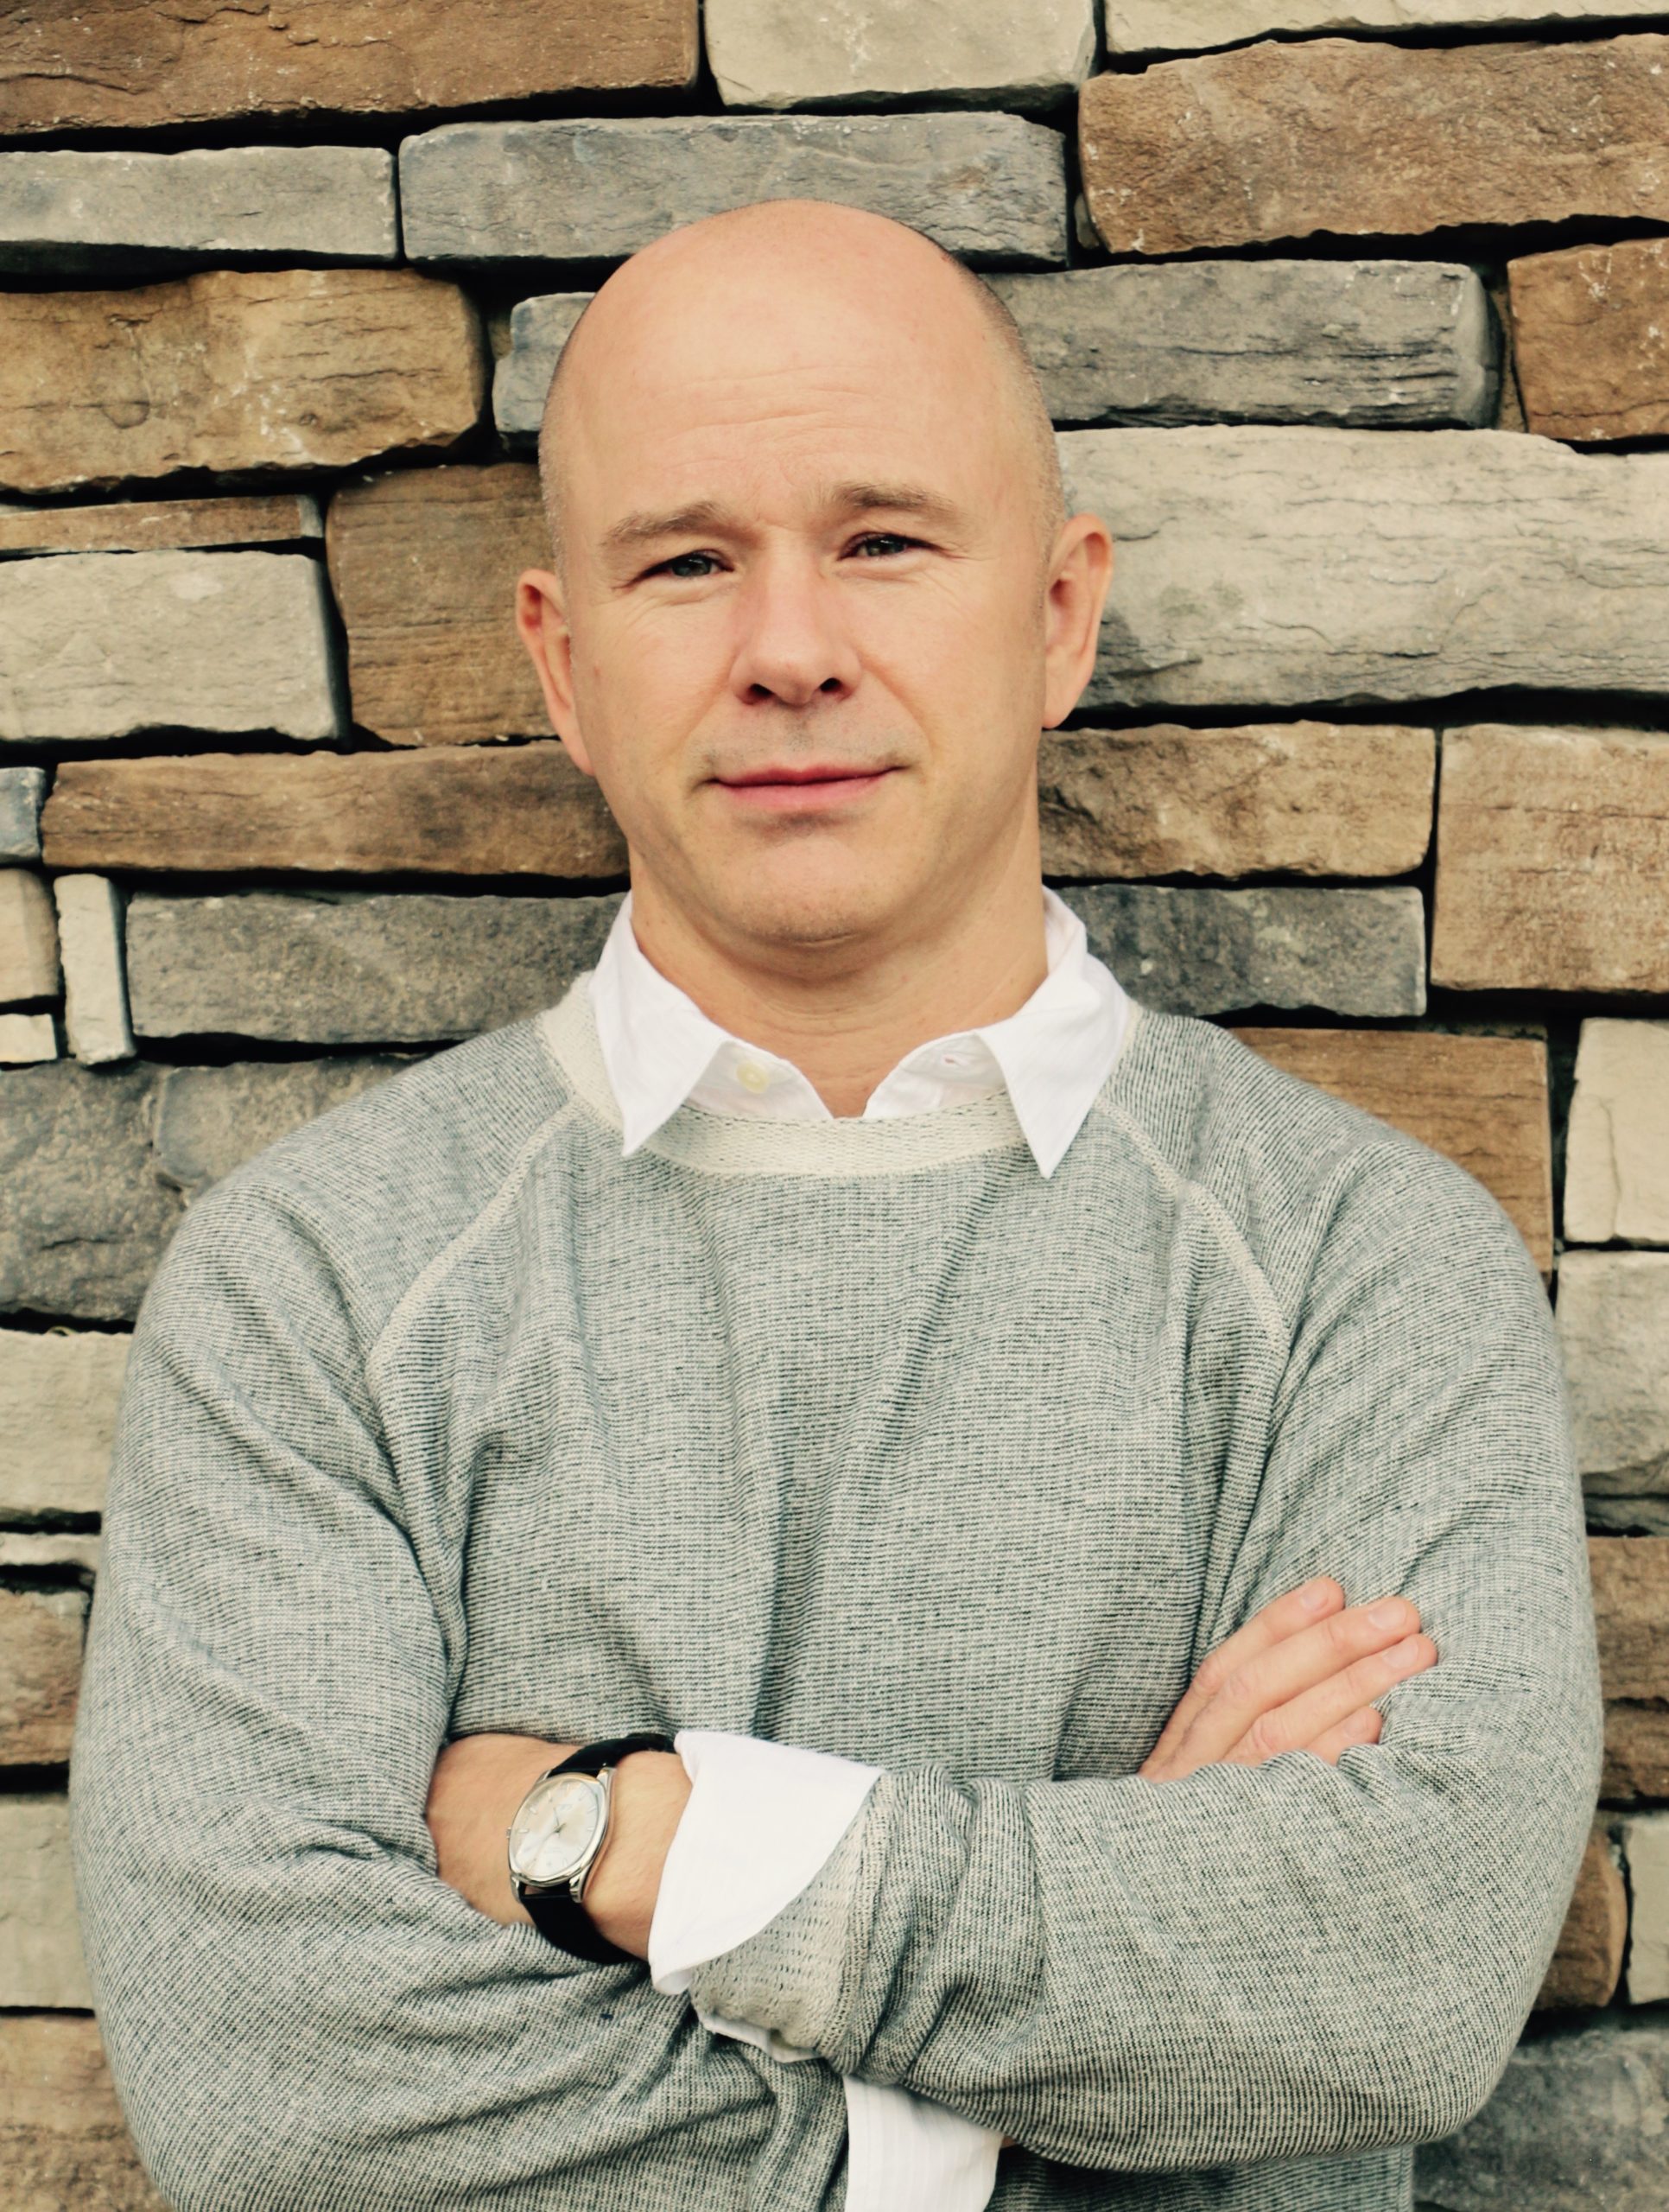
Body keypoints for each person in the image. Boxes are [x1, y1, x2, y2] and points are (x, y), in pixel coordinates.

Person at [70, 200, 1602, 2212]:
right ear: (563, 666)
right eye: (687, 562)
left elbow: (1395, 1973)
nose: (790, 650)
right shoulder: (317, 1291)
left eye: (883, 540)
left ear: (1060, 617)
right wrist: (1060, 2049)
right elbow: (276, 2096)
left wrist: (645, 1843)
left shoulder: (1356, 1272)